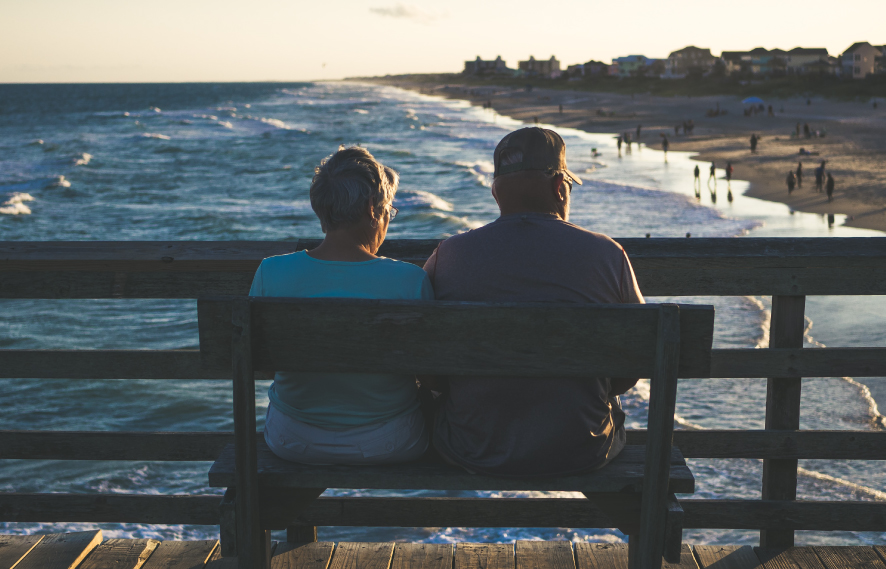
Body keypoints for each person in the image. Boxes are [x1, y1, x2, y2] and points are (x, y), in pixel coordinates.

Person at [424, 127, 644, 477]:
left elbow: (425, 363)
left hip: (473, 447)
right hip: (582, 449)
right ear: (559, 188)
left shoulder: (447, 256)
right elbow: (639, 355)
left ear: (496, 193)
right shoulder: (608, 254)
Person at [249, 146, 432, 466]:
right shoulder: (409, 281)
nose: (388, 218)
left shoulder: (270, 272)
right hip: (390, 441)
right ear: (371, 210)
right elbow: (431, 374)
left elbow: (262, 365)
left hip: (292, 440)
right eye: (389, 209)